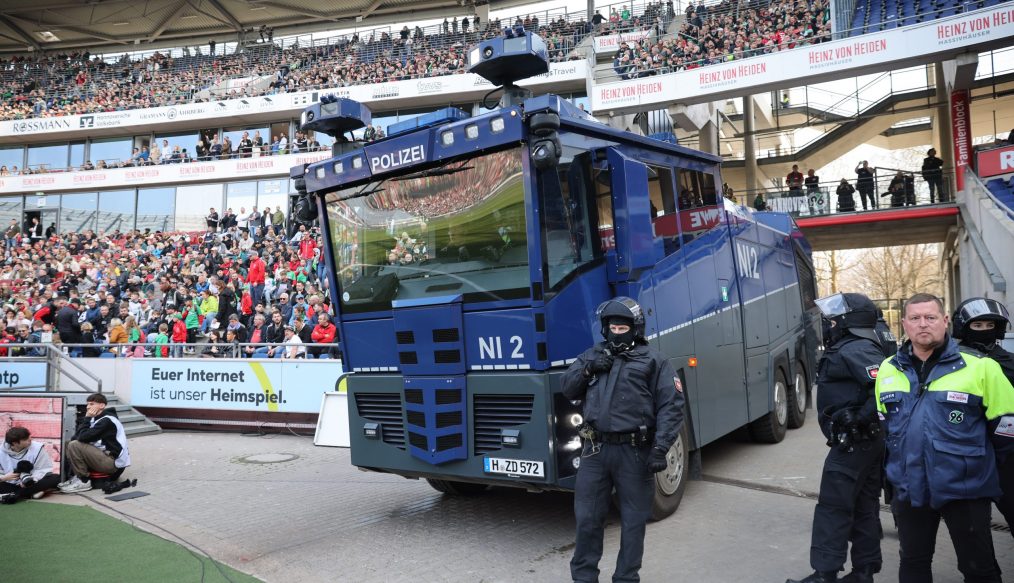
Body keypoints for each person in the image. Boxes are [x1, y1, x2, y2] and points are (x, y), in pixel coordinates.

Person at [875, 293, 1014, 583]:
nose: (922, 324)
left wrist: (987, 475)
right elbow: (886, 427)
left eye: (930, 317)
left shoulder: (981, 366)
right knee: (913, 564)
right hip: (910, 490)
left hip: (966, 490)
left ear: (945, 321)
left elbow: (1007, 430)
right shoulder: (888, 368)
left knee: (979, 569)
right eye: (915, 318)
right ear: (904, 324)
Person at [561, 297, 683, 583]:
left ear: (635, 328)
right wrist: (589, 368)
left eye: (622, 328)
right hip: (595, 452)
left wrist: (660, 448)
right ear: (605, 329)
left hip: (635, 453)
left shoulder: (655, 361)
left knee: (633, 522)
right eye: (612, 328)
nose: (617, 332)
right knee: (588, 520)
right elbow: (567, 387)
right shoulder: (591, 356)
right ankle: (583, 577)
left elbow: (672, 406)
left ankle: (626, 578)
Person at [787, 293, 886, 583]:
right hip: (864, 440)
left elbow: (885, 388)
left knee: (833, 506)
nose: (830, 324)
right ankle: (864, 572)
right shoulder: (857, 345)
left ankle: (824, 574)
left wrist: (858, 416)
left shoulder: (856, 348)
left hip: (855, 442)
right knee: (865, 505)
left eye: (835, 319)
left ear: (849, 321)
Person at [951, 297, 1014, 536]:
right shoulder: (952, 362)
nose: (985, 331)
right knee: (973, 527)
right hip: (967, 452)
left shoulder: (1009, 362)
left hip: (1007, 453)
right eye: (978, 326)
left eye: (990, 326)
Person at [59, 393, 131, 493]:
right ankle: (77, 477)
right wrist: (88, 420)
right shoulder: (96, 418)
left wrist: (87, 418)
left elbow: (82, 438)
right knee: (69, 443)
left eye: (92, 404)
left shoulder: (107, 420)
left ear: (102, 405)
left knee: (74, 445)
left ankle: (84, 481)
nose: (88, 407)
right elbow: (76, 437)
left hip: (113, 463)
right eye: (87, 404)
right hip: (104, 457)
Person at [0, 426, 60, 504]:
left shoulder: (37, 448)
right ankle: (31, 493)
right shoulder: (1, 451)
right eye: (25, 439)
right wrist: (3, 478)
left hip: (32, 481)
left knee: (55, 478)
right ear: (15, 443)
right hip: (9, 482)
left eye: (29, 437)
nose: (30, 439)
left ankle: (16, 494)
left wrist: (29, 480)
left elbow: (43, 469)